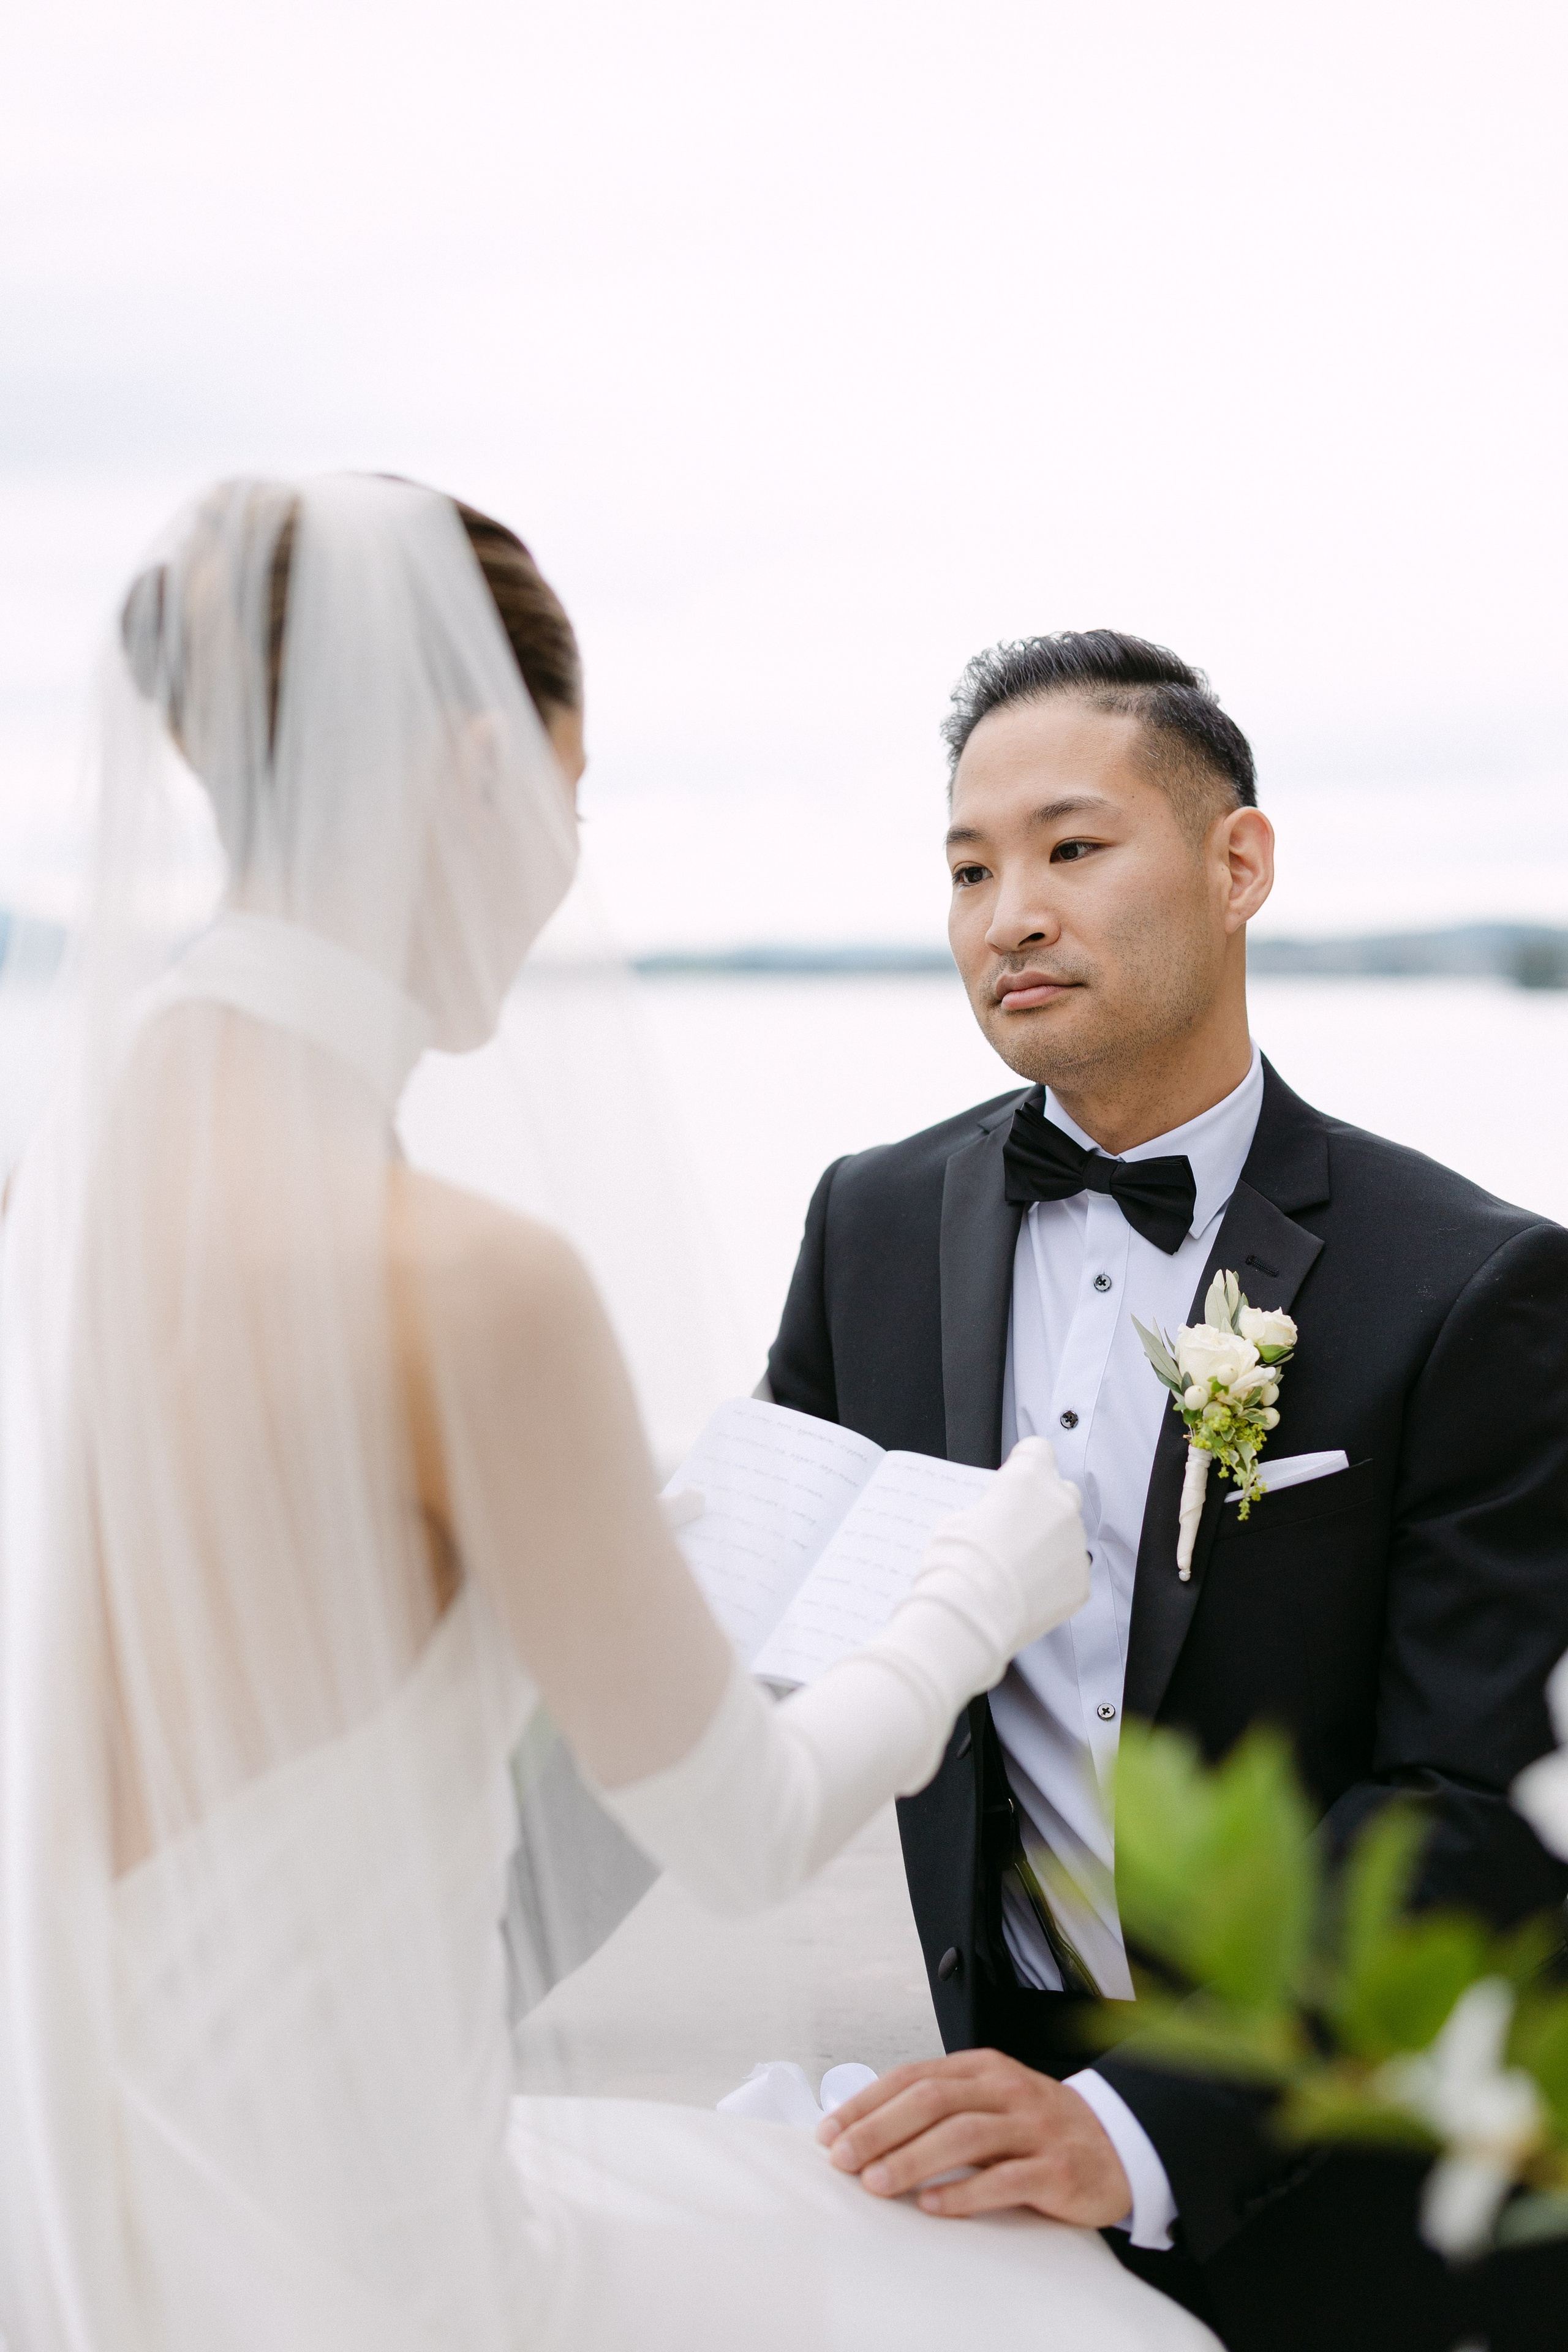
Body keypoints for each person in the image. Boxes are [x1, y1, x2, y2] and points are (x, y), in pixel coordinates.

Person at [0, 482, 1218, 2352]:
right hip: (362, 2255)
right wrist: (970, 1592)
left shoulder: (81, 1151)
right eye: (575, 801)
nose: (568, 859)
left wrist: (579, 1540)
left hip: (97, 2194)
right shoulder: (468, 1280)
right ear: (484, 766)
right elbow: (737, 1833)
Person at [765, 631, 1568, 2351]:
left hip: (1358, 2157)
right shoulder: (872, 1225)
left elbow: (1473, 1792)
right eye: (970, 869)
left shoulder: (1476, 1283)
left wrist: (1139, 2134)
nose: (1010, 914)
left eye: (1070, 848)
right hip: (985, 2129)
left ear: (1239, 864)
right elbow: (776, 1621)